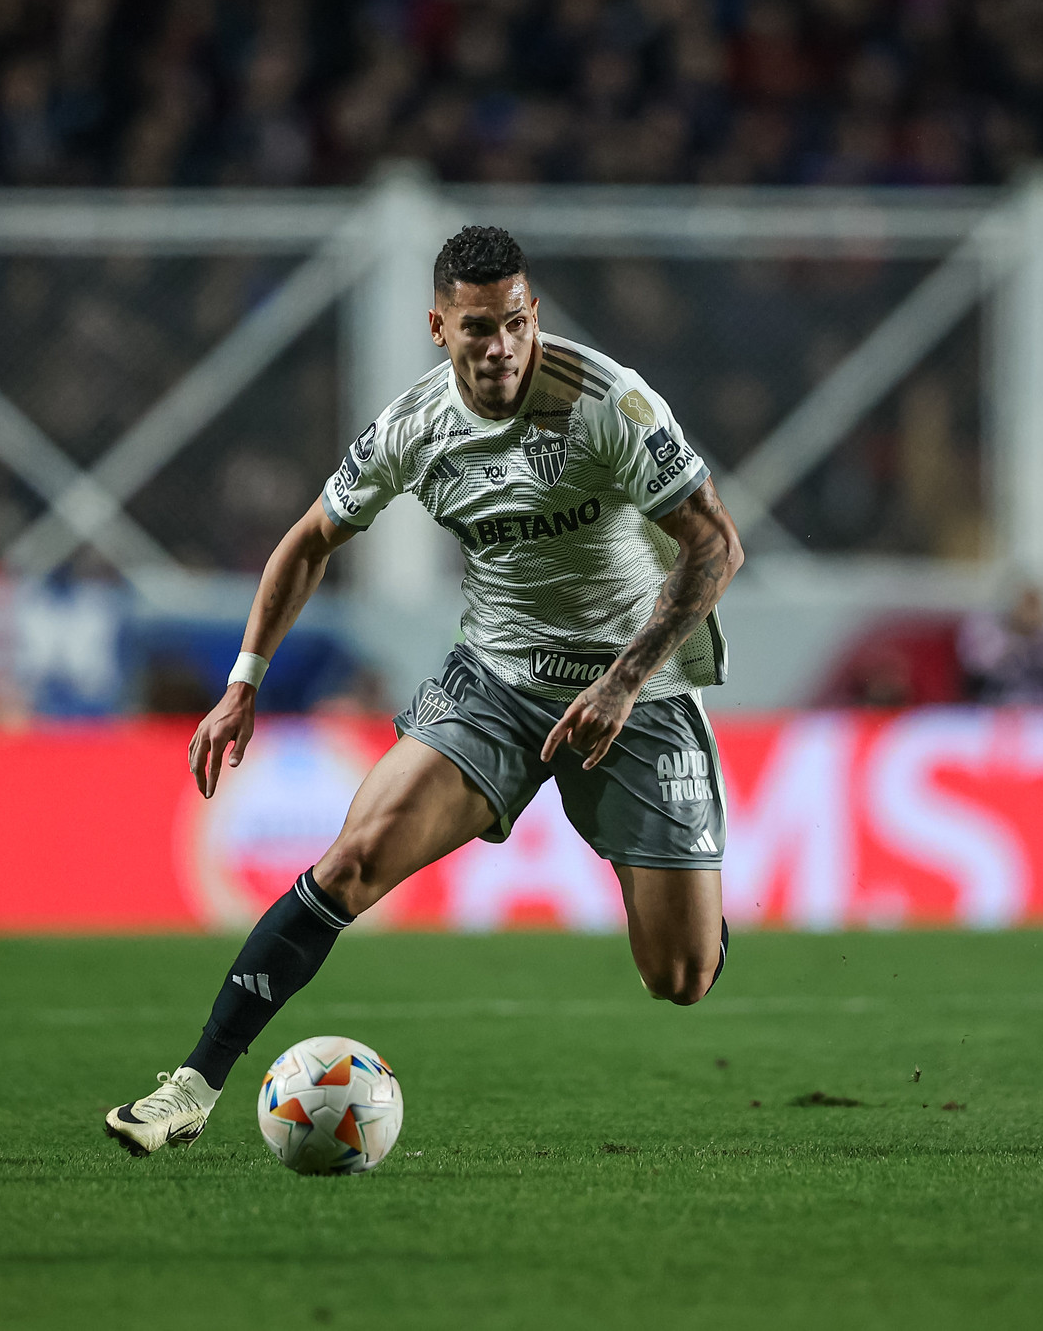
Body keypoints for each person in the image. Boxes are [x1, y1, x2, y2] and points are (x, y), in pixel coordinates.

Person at [104, 226, 744, 1154]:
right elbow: (307, 542)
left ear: (536, 318)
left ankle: (690, 896)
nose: (501, 348)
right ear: (438, 327)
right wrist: (243, 682)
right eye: (478, 328)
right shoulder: (413, 428)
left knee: (678, 975)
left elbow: (716, 543)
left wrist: (623, 679)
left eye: (516, 324)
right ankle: (193, 1086)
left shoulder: (612, 405)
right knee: (351, 860)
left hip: (632, 697)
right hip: (495, 682)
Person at [956, 584, 1043, 705]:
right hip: (994, 709)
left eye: (1034, 603)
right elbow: (977, 673)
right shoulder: (986, 631)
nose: (1029, 610)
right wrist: (1017, 632)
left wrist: (1036, 634)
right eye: (1027, 602)